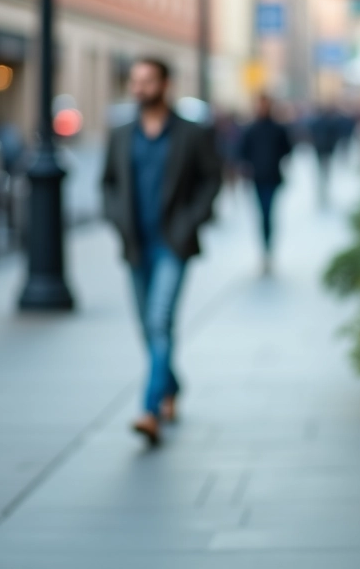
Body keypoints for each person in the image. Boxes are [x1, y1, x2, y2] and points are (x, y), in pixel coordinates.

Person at [102, 58, 221, 445]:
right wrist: (117, 220)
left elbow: (211, 179)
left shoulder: (191, 133)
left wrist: (191, 222)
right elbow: (107, 184)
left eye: (147, 80)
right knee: (149, 327)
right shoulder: (121, 134)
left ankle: (149, 410)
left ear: (165, 84)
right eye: (134, 81)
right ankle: (171, 385)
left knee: (159, 321)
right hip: (136, 245)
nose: (139, 88)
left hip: (173, 244)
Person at [238, 94, 293, 274]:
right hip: (257, 179)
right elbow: (241, 152)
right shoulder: (250, 129)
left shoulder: (278, 128)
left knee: (268, 213)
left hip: (272, 177)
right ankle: (265, 248)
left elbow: (287, 149)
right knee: (262, 214)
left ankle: (268, 249)